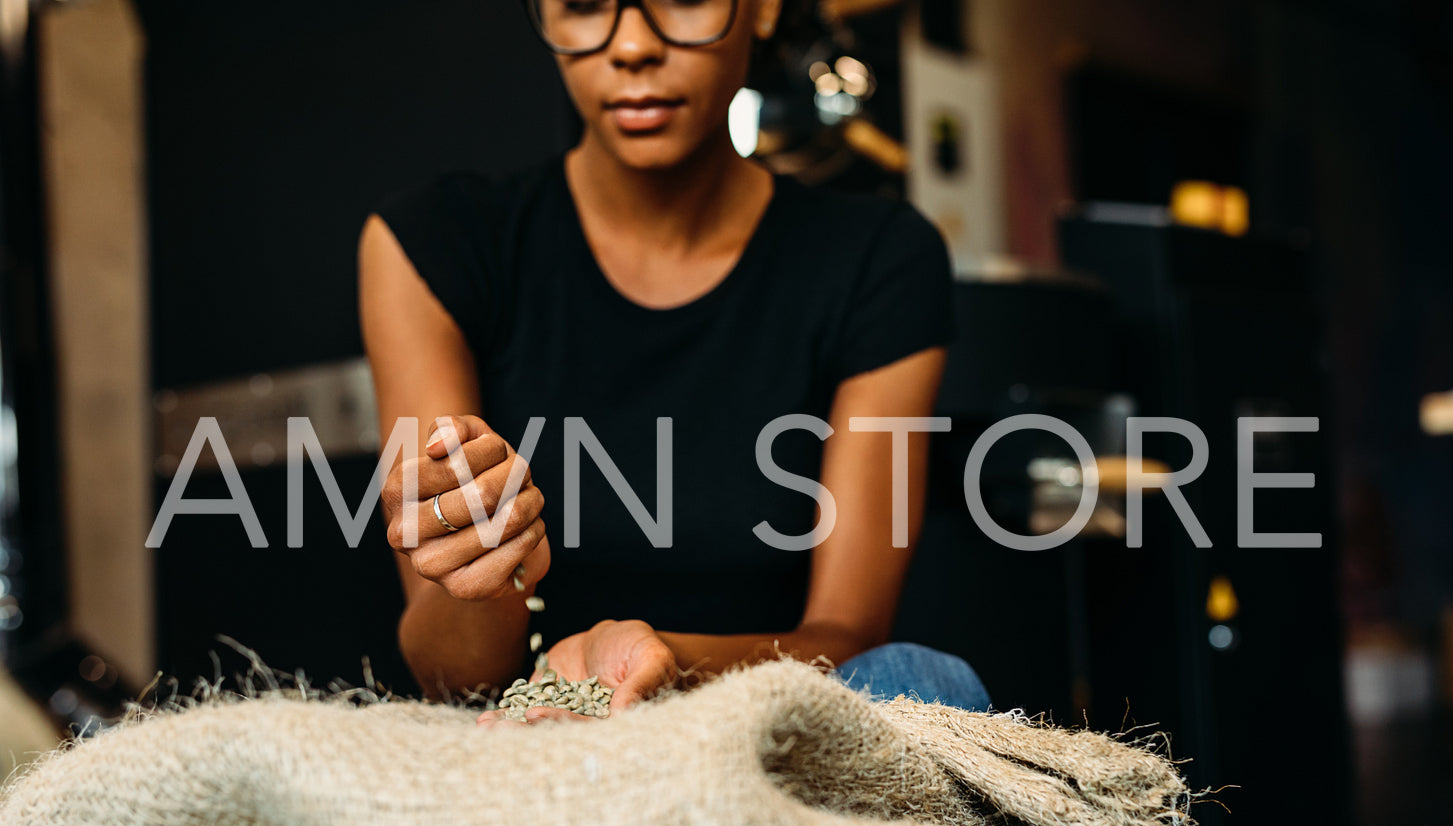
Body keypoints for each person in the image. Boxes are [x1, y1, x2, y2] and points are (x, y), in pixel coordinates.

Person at [358, 0, 990, 725]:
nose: (631, 46)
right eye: (586, 5)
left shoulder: (877, 258)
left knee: (923, 678)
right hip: (531, 740)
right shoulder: (436, 244)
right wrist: (482, 562)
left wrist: (649, 661)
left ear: (762, 11)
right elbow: (449, 675)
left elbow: (845, 635)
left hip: (755, 727)